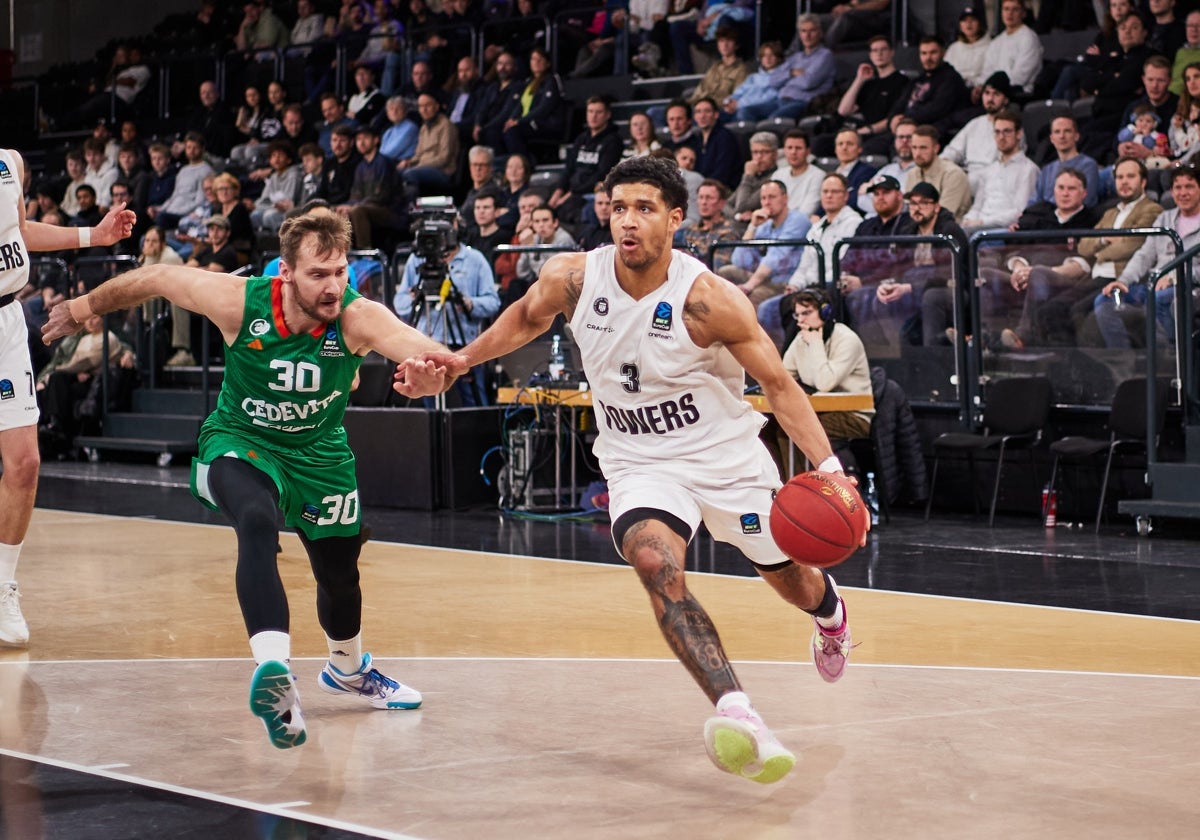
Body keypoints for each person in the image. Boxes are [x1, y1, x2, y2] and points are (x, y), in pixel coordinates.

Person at [407, 156, 858, 784]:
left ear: (676, 219)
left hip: (724, 459)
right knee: (655, 563)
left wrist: (830, 467)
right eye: (618, 207)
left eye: (644, 209)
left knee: (791, 580)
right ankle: (738, 711)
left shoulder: (709, 301)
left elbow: (779, 385)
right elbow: (524, 317)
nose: (628, 221)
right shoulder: (574, 277)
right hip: (639, 460)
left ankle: (830, 614)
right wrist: (459, 360)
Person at [40, 210, 453, 747]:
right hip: (242, 441)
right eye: (318, 275)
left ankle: (347, 669)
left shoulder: (355, 317)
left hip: (319, 454)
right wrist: (79, 307)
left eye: (340, 271)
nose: (333, 287)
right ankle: (275, 674)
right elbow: (159, 278)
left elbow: (419, 346)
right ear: (285, 273)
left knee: (340, 574)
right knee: (257, 520)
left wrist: (430, 375)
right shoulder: (242, 302)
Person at [0, 146, 135, 647]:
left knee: (24, 463)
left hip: (7, 320)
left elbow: (20, 230)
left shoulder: (9, 160)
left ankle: (2, 587)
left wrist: (92, 236)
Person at [393, 216, 501, 405]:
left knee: (473, 404)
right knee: (429, 402)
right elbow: (399, 302)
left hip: (465, 346)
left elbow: (493, 302)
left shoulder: (474, 259)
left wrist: (470, 304)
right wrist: (413, 300)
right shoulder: (416, 259)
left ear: (456, 226)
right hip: (426, 345)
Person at [782, 288, 873, 442]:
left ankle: (808, 467)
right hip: (817, 410)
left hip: (853, 416)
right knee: (770, 426)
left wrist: (815, 343)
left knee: (795, 428)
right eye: (797, 315)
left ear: (826, 312)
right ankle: (787, 468)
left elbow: (825, 383)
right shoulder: (801, 338)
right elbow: (783, 375)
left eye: (806, 313)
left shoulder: (847, 339)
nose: (800, 321)